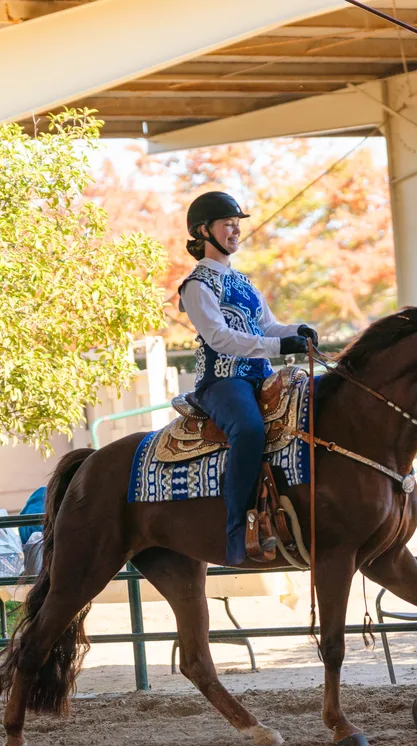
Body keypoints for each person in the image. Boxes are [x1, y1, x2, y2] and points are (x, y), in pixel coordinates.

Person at [178, 191, 319, 566]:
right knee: (249, 429)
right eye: (227, 223)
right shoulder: (196, 285)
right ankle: (238, 531)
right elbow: (220, 338)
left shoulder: (243, 281)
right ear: (203, 231)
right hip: (223, 381)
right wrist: (279, 344)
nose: (235, 230)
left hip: (261, 374)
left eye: (237, 224)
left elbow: (269, 326)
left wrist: (300, 330)